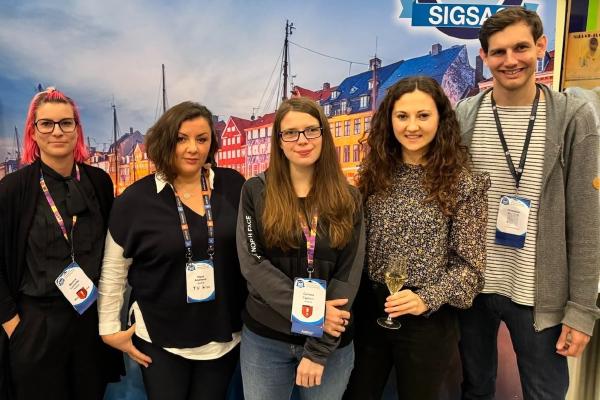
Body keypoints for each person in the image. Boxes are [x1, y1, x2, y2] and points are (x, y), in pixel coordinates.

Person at [455, 7, 600, 400]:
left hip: (539, 292)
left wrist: (582, 310)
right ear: (484, 57)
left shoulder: (572, 117)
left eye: (521, 47)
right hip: (472, 286)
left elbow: (587, 222)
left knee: (545, 392)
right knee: (474, 388)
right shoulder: (464, 117)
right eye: (498, 52)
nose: (510, 60)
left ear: (540, 46)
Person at [343, 76, 489, 400]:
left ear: (440, 118)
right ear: (389, 120)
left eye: (423, 115)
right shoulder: (373, 174)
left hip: (427, 321)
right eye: (402, 116)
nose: (412, 126)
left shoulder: (462, 184)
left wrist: (427, 298)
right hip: (370, 309)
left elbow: (471, 270)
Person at [98, 101, 246, 400]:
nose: (193, 148)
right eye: (182, 138)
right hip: (159, 336)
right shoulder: (134, 201)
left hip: (223, 333)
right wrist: (109, 328)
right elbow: (114, 270)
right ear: (166, 141)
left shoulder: (233, 185)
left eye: (202, 139)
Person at [237, 97, 365, 400]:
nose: (302, 140)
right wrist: (311, 310)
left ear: (324, 134)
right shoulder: (255, 191)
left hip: (329, 343)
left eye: (311, 130)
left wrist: (318, 350)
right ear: (279, 142)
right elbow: (253, 263)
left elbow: (349, 273)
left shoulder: (349, 197)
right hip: (266, 338)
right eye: (291, 133)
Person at [0, 87, 123, 400]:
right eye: (47, 124)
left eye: (66, 123)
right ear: (33, 131)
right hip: (36, 323)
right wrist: (13, 325)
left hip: (88, 320)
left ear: (77, 130)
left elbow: (113, 249)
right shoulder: (13, 189)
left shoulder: (99, 181)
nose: (57, 131)